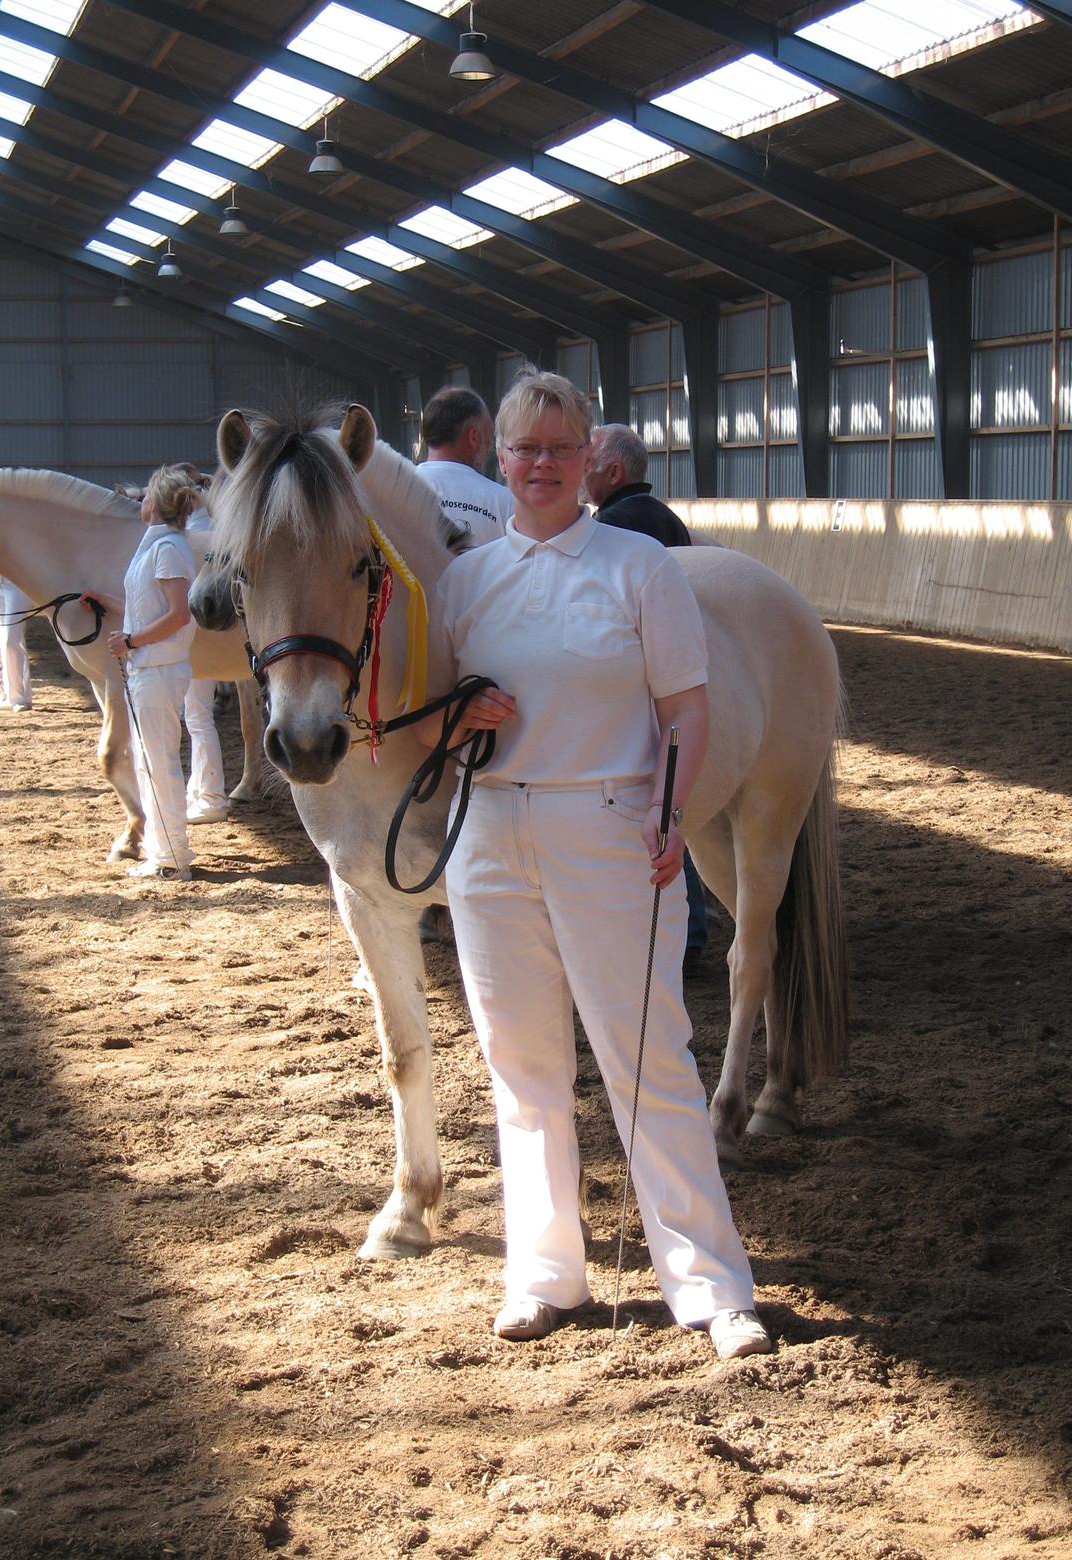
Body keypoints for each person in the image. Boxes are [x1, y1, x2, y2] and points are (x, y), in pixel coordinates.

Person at [420, 367, 772, 1360]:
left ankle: (709, 1284)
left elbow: (685, 708)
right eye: (523, 449)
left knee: (649, 1055)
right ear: (502, 458)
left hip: (610, 829)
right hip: (489, 832)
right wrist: (460, 719)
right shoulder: (465, 581)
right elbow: (428, 721)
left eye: (558, 450)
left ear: (589, 462)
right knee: (522, 1066)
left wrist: (669, 814)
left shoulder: (639, 567)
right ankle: (544, 1272)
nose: (539, 465)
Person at [585, 424, 708, 972]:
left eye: (587, 461)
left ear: (613, 472)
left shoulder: (609, 529)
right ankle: (695, 931)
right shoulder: (669, 520)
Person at [83, 465, 200, 881]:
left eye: (146, 494)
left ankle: (172, 854)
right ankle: (163, 847)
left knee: (158, 760)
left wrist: (131, 642)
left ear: (155, 503)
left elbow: (178, 614)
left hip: (158, 667)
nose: (141, 500)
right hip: (151, 667)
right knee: (151, 760)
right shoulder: (158, 547)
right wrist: (109, 602)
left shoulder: (166, 548)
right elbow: (150, 607)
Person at [177, 468, 229, 826]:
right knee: (197, 717)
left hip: (199, 638)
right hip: (201, 637)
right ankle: (201, 789)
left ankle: (210, 795)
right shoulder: (206, 529)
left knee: (198, 717)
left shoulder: (193, 537)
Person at [414, 385, 514, 544]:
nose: (489, 446)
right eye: (489, 435)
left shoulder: (394, 495)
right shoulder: (505, 503)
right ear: (473, 437)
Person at [584, 423, 692, 546]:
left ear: (614, 473)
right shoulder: (672, 520)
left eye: (585, 467)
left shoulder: (607, 524)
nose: (579, 475)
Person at [0, 574, 34, 712]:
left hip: (19, 581)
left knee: (12, 639)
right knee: (4, 638)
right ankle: (10, 693)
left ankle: (21, 698)